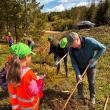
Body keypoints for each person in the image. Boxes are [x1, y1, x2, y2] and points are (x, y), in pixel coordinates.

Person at [68, 32, 106, 105]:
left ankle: (92, 97)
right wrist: (78, 74)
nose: (71, 46)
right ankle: (80, 94)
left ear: (77, 40)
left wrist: (94, 58)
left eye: (72, 44)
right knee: (79, 81)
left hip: (91, 66)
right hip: (79, 66)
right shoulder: (71, 49)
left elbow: (103, 48)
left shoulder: (90, 41)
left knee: (91, 82)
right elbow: (74, 62)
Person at [7, 42, 44, 110]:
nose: (31, 57)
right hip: (28, 107)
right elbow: (34, 91)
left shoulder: (9, 70)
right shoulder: (29, 74)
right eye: (30, 55)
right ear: (26, 57)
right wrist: (39, 83)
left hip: (16, 106)